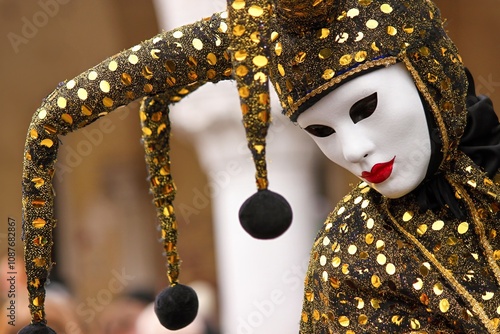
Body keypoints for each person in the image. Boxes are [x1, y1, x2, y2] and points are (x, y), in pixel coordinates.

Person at [19, 0, 500, 333]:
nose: (353, 149)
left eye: (364, 107)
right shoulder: (349, 249)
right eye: (321, 131)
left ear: (428, 71)